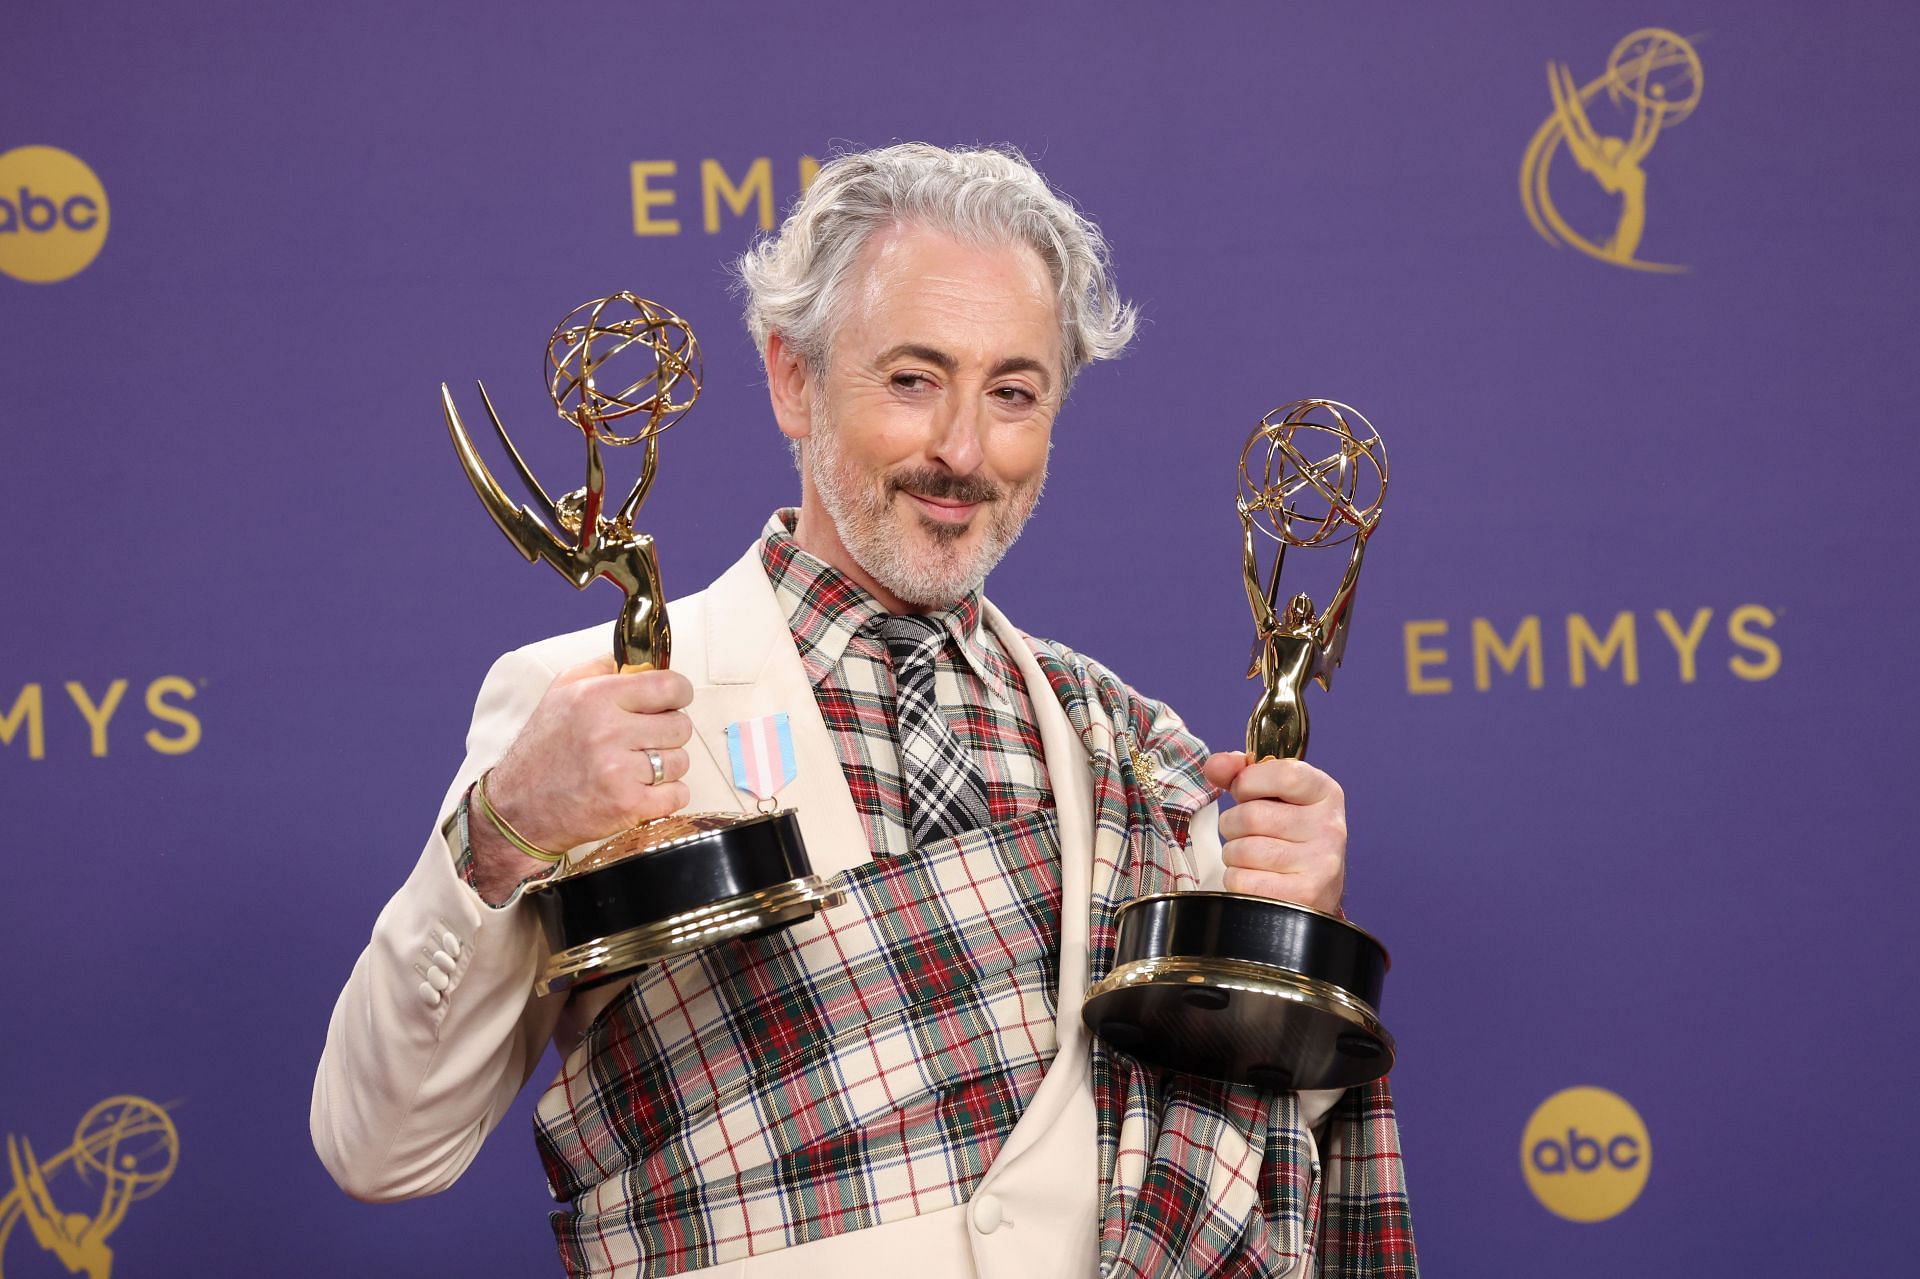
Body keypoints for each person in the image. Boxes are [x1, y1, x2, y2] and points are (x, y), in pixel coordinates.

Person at [312, 143, 1415, 1279]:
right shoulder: (588, 702)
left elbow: (1249, 1134)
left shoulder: (1136, 750)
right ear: (794, 379)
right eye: (912, 379)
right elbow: (381, 1144)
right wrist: (501, 833)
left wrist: (1289, 929)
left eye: (1014, 393)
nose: (962, 450)